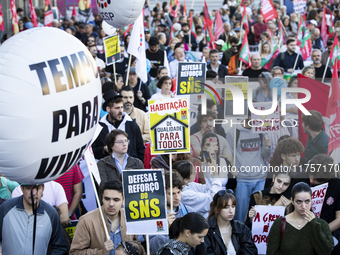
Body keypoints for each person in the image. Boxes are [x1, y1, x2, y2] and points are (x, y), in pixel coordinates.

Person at [70, 180, 139, 254]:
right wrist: (101, 252)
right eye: (107, 199)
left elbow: (138, 246)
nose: (111, 204)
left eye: (116, 200)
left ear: (123, 201)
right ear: (102, 198)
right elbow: (75, 252)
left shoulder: (130, 217)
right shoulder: (86, 221)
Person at [226, 111, 271, 221]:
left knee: (258, 215)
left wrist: (268, 147)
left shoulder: (261, 131)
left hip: (260, 178)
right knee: (240, 215)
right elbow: (230, 155)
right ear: (248, 116)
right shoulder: (234, 132)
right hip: (243, 179)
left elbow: (265, 155)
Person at [267, 182, 334, 255]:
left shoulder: (321, 224)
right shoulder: (280, 223)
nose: (304, 206)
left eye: (307, 201)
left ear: (312, 200)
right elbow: (271, 252)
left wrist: (314, 224)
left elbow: (326, 251)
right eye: (299, 202)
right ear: (292, 201)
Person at [0, 183, 67, 254]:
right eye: (29, 188)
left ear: (43, 189)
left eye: (37, 188)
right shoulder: (6, 208)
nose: (34, 193)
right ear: (22, 189)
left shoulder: (51, 213)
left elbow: (59, 247)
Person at [149, 171, 195, 255]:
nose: (177, 197)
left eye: (179, 192)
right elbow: (153, 248)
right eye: (171, 194)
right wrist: (164, 229)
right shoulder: (153, 215)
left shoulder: (189, 212)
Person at [92, 90, 145, 161]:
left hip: (130, 168)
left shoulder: (131, 124)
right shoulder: (99, 127)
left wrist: (138, 167)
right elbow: (92, 151)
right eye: (117, 108)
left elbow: (140, 149)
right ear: (108, 109)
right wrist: (103, 149)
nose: (120, 111)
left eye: (121, 107)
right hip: (107, 169)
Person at [205, 190, 257, 254]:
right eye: (226, 207)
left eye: (233, 206)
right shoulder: (207, 230)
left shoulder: (242, 228)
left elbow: (250, 251)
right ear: (216, 209)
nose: (231, 211)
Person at [308, 154, 340, 254]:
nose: (311, 180)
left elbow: (339, 219)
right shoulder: (305, 182)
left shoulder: (337, 185)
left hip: (330, 235)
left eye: (315, 179)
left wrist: (321, 231)